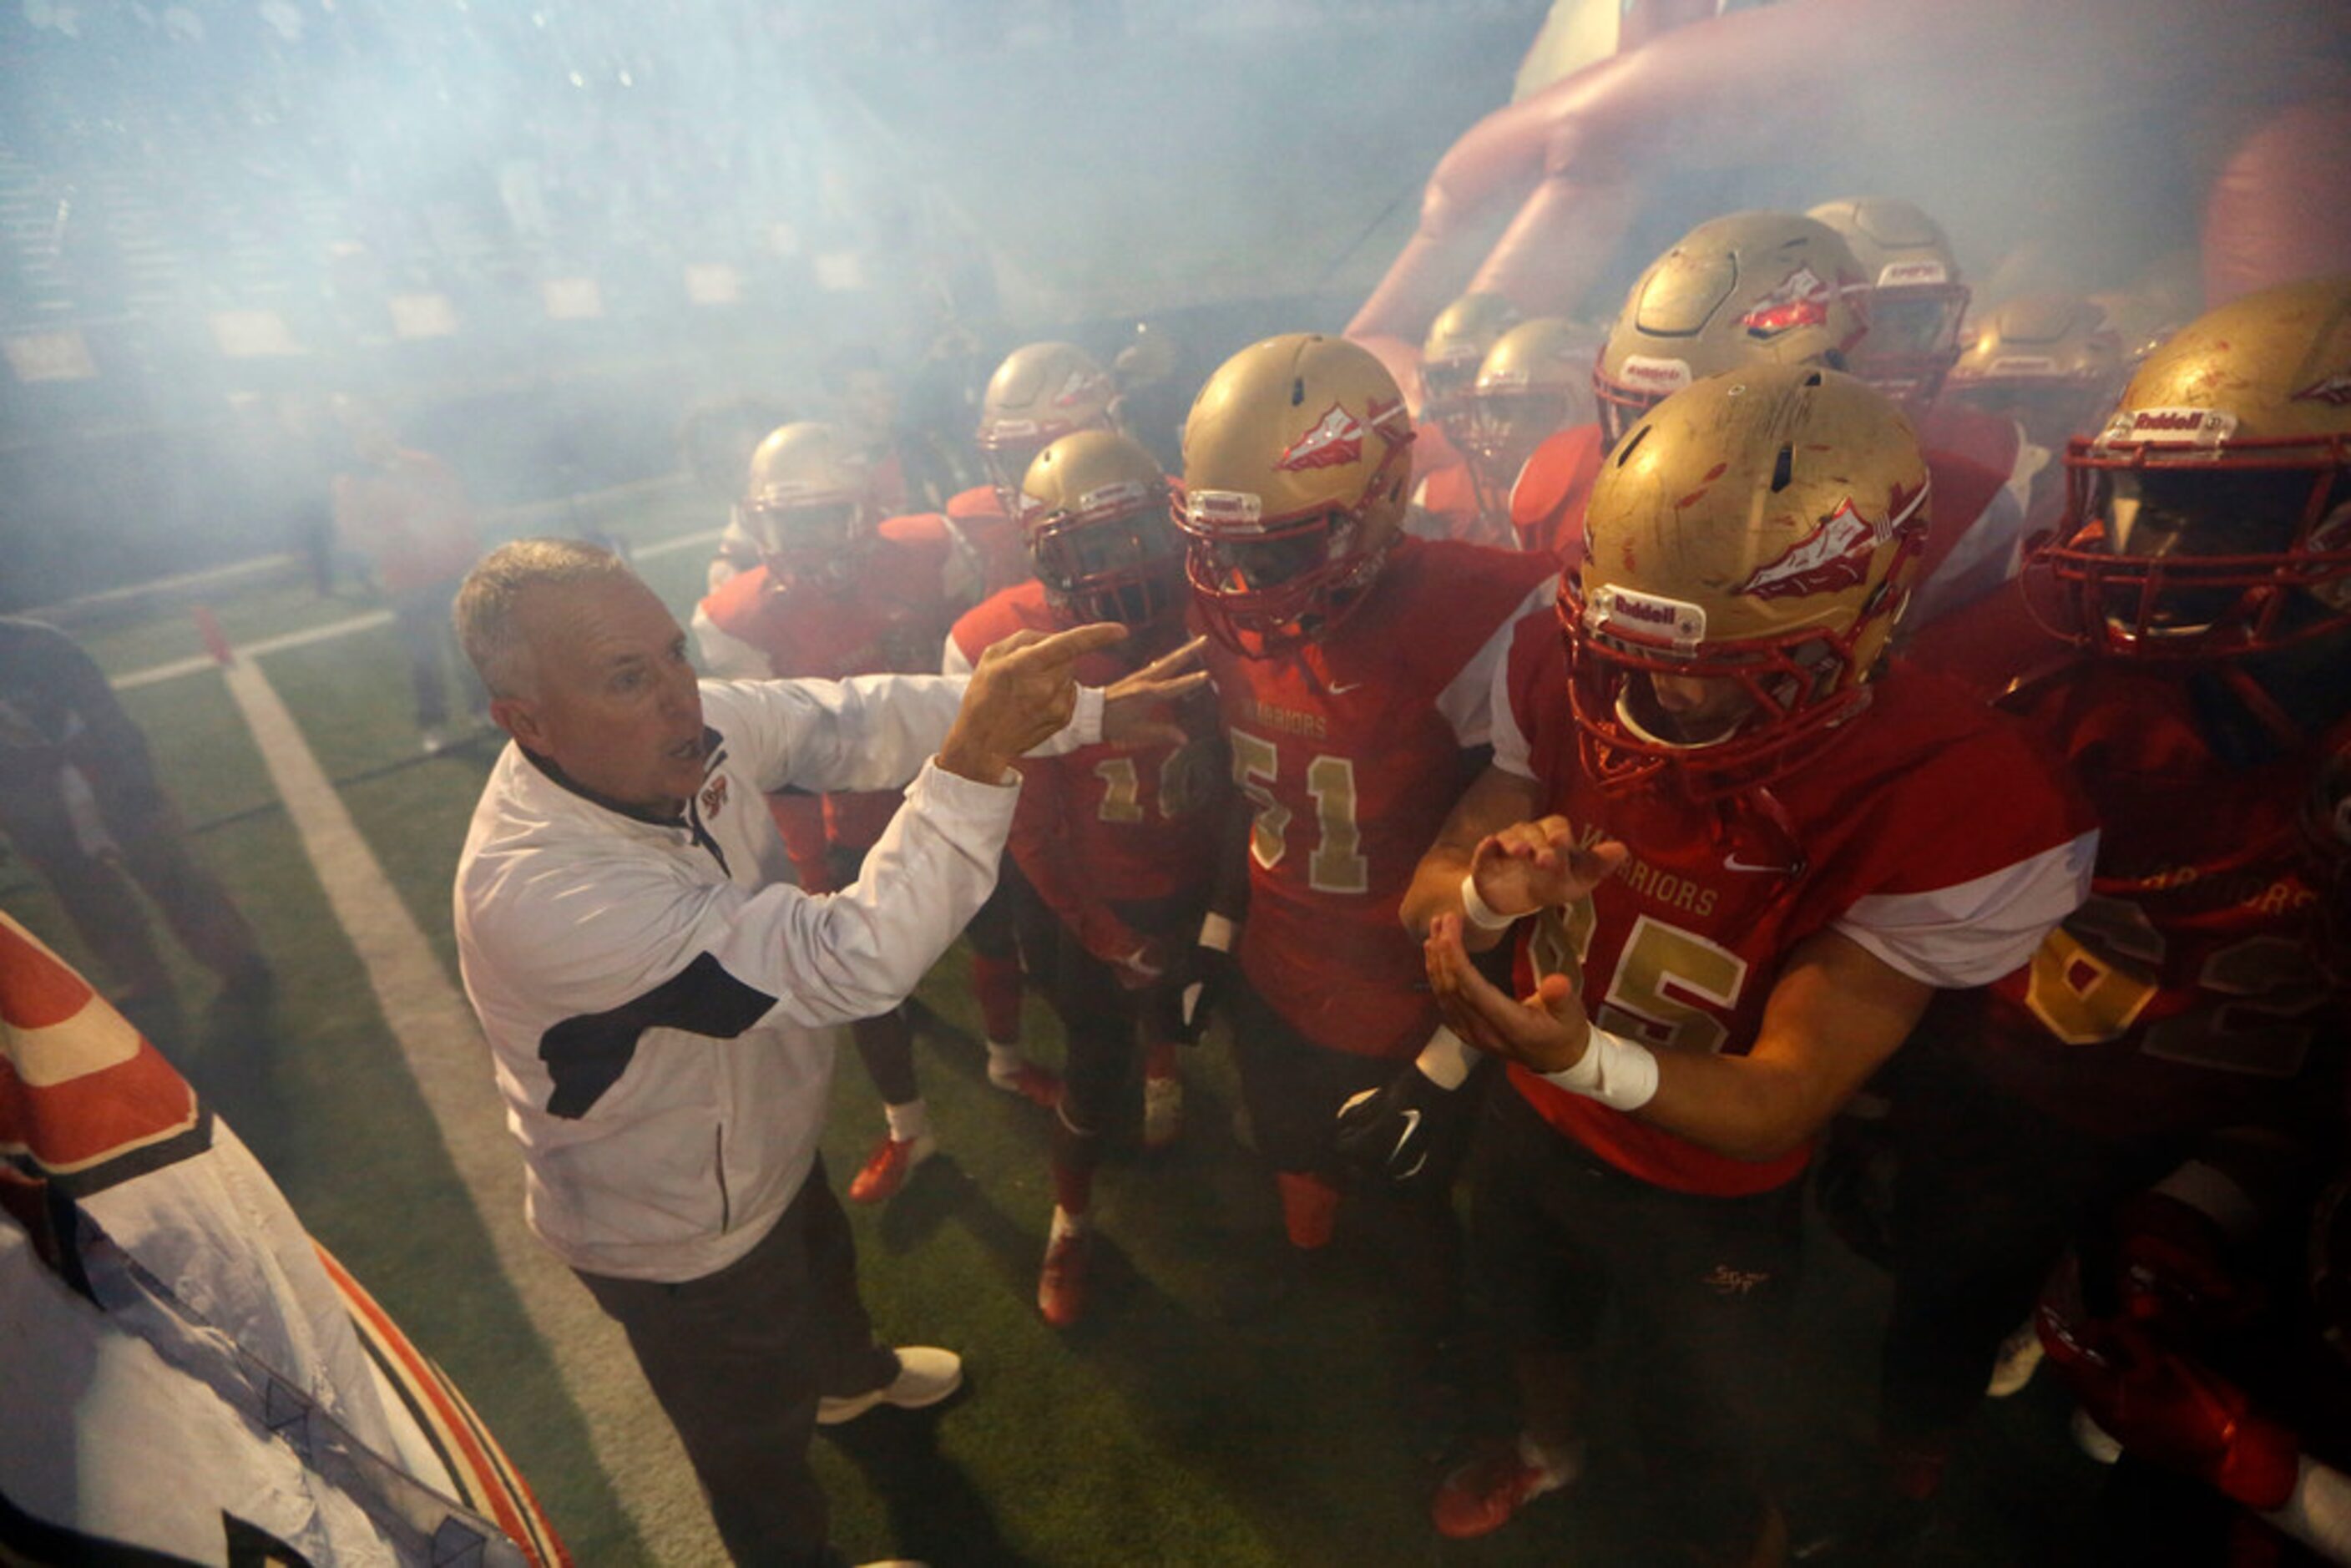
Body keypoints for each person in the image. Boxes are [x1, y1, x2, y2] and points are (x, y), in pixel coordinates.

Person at [1402, 365, 2094, 1559]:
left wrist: (1587, 1056)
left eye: (1730, 662)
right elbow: (1432, 884)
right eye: (1649, 646)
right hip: (1536, 1108)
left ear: (1876, 614)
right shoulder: (1565, 662)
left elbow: (1781, 1096)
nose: (1669, 687)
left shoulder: (1941, 786)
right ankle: (1548, 1447)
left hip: (1700, 1184)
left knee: (1711, 1439)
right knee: (1528, 1311)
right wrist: (1483, 891)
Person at [451, 537, 1202, 1567]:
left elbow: (845, 722)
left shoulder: (672, 732)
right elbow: (855, 960)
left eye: (673, 653)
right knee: (753, 1454)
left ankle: (851, 1379)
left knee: (817, 1268)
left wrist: (1075, 716)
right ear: (525, 722)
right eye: (630, 679)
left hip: (747, 1141)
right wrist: (980, 758)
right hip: (672, 1227)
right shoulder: (543, 894)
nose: (681, 697)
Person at [1878, 276, 2351, 1539]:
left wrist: (2228, 1188)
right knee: (1943, 1318)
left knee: (2162, 1450)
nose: (2148, 551)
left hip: (2266, 1146)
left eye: (2222, 509)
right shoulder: (2024, 655)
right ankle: (1912, 1462)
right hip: (2020, 1098)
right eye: (2140, 497)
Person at [1174, 331, 1557, 1449]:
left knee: (1417, 1227)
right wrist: (1211, 934)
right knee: (1287, 1145)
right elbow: (1250, 793)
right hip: (1278, 961)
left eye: (1287, 545)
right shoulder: (1224, 608)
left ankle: (1451, 1399)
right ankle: (1307, 1258)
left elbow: (1528, 881)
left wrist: (1454, 1052)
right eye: (1226, 549)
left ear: (1384, 493)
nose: (1247, 585)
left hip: (1414, 996)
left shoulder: (1492, 616)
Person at [695, 421, 1061, 1208]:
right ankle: (907, 1126)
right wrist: (806, 858)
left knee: (995, 930)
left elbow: (973, 654)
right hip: (845, 816)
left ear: (861, 509)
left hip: (955, 777)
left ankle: (1003, 1055)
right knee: (866, 981)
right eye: (789, 520)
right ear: (760, 520)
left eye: (823, 515)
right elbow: (776, 763)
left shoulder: (931, 548)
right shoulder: (740, 616)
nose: (806, 536)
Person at [944, 430, 1224, 1327]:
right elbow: (1033, 829)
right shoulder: (1004, 644)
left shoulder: (1222, 597)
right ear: (1043, 556)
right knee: (1090, 1071)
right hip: (1085, 889)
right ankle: (1070, 1219)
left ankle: (1165, 1069)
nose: (1126, 565)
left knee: (1184, 1005)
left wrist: (1220, 909)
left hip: (1190, 863)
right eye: (1092, 548)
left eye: (1140, 534)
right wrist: (1109, 936)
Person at [0, 615, 270, 1033]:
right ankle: (144, 980)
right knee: (90, 902)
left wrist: (130, 776)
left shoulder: (38, 644)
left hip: (102, 776)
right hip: (37, 804)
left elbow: (104, 713)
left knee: (174, 876)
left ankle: (235, 958)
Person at [330, 397, 486, 754]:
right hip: (406, 580)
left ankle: (481, 710)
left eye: (378, 430)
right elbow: (352, 532)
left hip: (450, 569)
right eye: (365, 434)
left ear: (391, 431)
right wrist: (393, 538)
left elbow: (459, 508)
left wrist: (468, 556)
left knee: (466, 647)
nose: (374, 439)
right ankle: (433, 724)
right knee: (423, 658)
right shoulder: (351, 484)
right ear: (356, 443)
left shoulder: (427, 465)